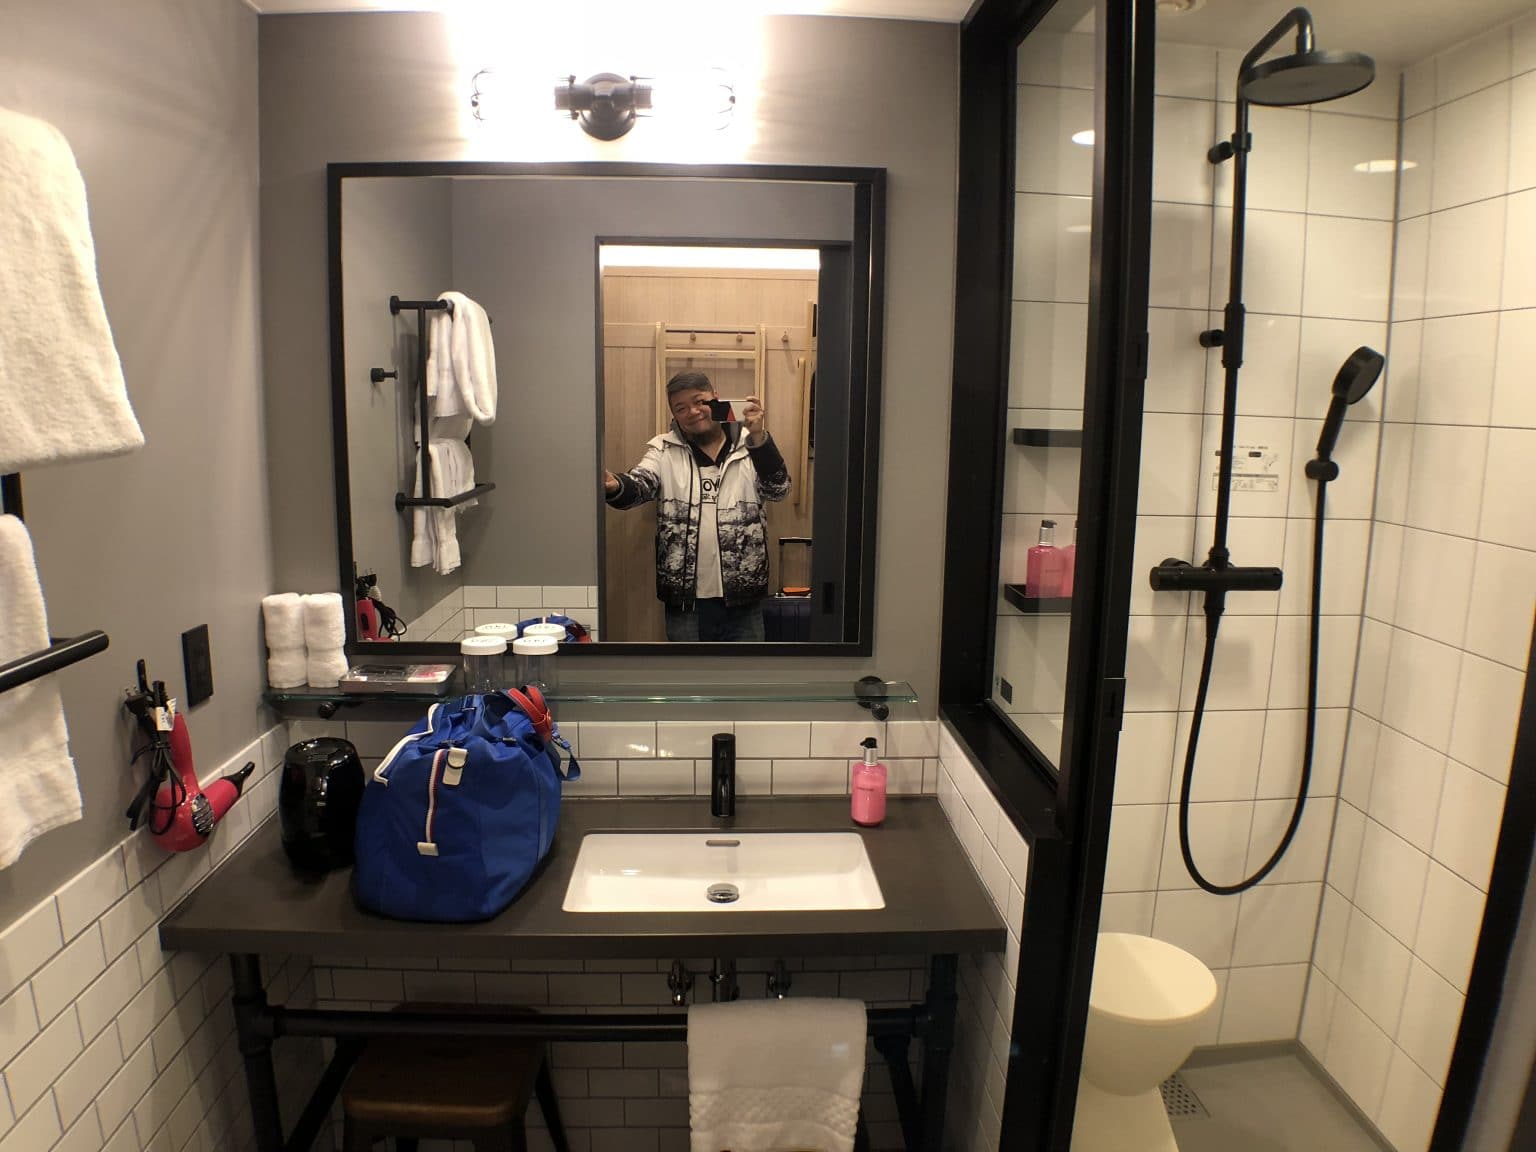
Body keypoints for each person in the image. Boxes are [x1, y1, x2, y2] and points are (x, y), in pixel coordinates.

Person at [604, 371, 791, 641]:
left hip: (744, 597)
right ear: (674, 415)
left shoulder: (750, 446)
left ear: (716, 399)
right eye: (681, 408)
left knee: (746, 669)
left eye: (699, 401)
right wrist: (615, 485)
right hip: (685, 603)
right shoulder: (663, 450)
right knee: (687, 669)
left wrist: (759, 438)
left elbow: (778, 490)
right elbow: (640, 485)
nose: (693, 412)